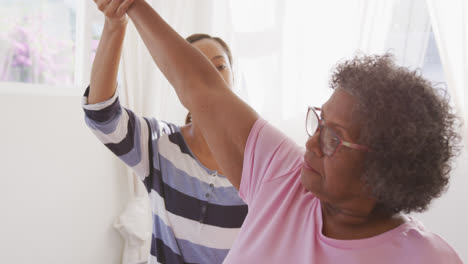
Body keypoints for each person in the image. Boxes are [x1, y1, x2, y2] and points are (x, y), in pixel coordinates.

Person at [120, 0, 465, 263]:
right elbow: (202, 87)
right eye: (320, 121)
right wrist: (133, 5)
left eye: (333, 139)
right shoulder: (285, 176)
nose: (311, 142)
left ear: (385, 170)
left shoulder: (427, 258)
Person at [82, 1, 247, 263]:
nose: (211, 77)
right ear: (178, 82)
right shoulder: (159, 143)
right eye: (197, 68)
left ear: (234, 75)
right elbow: (101, 114)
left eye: (219, 66)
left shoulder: (259, 159)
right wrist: (115, 25)